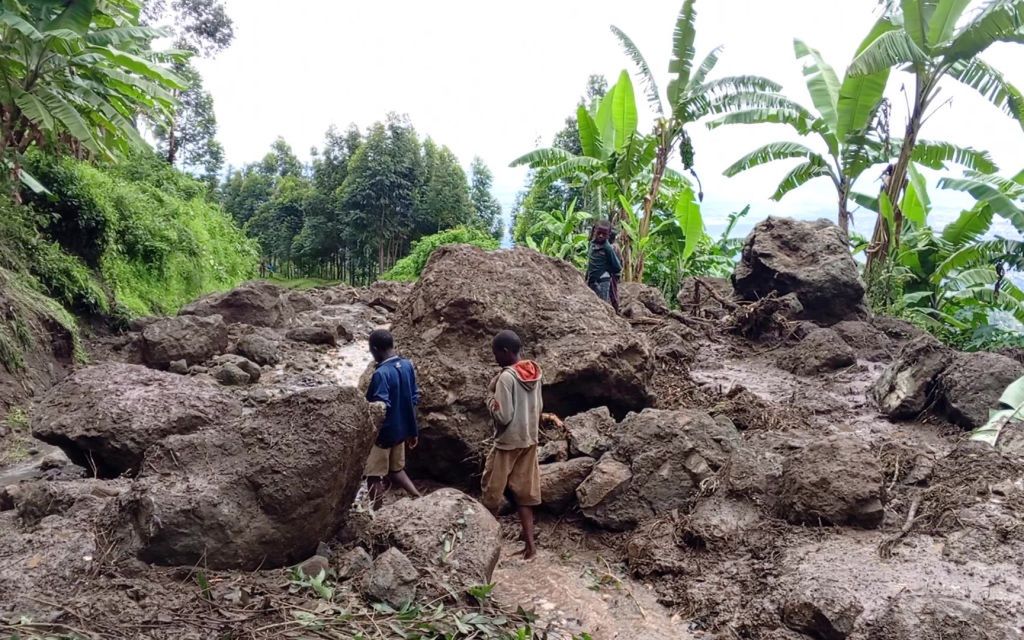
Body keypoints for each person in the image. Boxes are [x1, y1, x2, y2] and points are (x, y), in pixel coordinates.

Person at [483, 330, 542, 559]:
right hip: (529, 438)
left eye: (496, 353)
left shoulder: (506, 378)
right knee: (524, 494)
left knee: (492, 493)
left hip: (507, 443)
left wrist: (489, 398)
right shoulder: (534, 372)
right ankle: (530, 548)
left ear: (506, 351)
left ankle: (488, 549)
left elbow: (503, 415)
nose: (495, 358)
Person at [364, 329, 422, 505]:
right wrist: (413, 431)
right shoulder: (407, 366)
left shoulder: (381, 374)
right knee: (396, 469)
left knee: (373, 475)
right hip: (402, 429)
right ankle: (417, 497)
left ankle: (377, 511)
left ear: (375, 349)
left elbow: (380, 407)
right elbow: (413, 398)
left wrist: (371, 434)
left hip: (383, 434)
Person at [587, 221, 622, 307]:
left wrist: (606, 270)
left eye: (604, 234)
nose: (601, 235)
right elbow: (590, 263)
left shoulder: (608, 248)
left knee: (602, 304)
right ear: (594, 231)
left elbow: (617, 267)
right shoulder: (592, 244)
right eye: (599, 233)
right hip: (592, 279)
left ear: (608, 235)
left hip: (603, 280)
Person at [607, 230, 624, 314]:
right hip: (615, 272)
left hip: (612, 273)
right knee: (613, 290)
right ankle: (615, 308)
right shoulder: (616, 246)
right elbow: (621, 261)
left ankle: (616, 309)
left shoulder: (613, 247)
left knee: (612, 291)